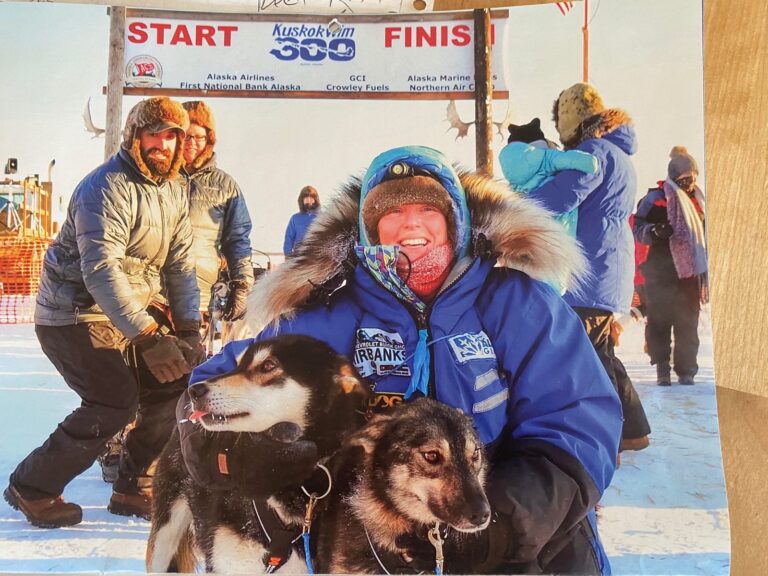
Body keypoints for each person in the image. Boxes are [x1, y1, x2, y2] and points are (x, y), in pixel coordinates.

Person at [180, 146, 622, 574]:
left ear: (457, 223)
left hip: (505, 522)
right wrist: (221, 448)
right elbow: (221, 379)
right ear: (368, 230)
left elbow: (577, 418)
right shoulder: (332, 311)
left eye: (429, 210)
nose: (411, 222)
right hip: (373, 529)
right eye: (391, 212)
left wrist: (509, 520)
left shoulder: (518, 302)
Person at [4, 96, 203, 528]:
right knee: (114, 399)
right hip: (74, 313)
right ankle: (34, 485)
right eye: (153, 133)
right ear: (134, 137)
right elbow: (100, 269)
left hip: (130, 315)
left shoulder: (174, 189)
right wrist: (150, 338)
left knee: (176, 382)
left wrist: (187, 330)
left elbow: (180, 263)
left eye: (172, 136)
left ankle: (135, 485)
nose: (162, 144)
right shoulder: (105, 186)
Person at [527, 83, 652, 452]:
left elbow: (562, 196)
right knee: (600, 353)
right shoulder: (618, 153)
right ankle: (632, 433)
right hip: (608, 265)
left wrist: (516, 205)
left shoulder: (593, 151)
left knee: (588, 359)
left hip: (590, 269)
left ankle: (607, 436)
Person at [633, 147, 707, 386]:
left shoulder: (699, 201)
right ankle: (662, 367)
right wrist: (655, 231)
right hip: (660, 269)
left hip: (689, 273)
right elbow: (637, 228)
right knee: (659, 320)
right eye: (686, 178)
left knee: (688, 322)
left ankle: (687, 372)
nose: (690, 183)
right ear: (675, 177)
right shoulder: (656, 198)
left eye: (693, 178)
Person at [181, 100, 254, 323]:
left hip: (198, 293)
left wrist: (242, 285)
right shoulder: (159, 179)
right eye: (186, 135)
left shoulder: (225, 186)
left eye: (199, 137)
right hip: (153, 292)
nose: (192, 143)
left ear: (209, 140)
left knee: (191, 356)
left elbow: (238, 240)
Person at [499, 116, 597, 238]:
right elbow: (581, 161)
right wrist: (594, 161)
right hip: (558, 242)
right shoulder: (547, 159)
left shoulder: (513, 188)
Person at [282, 185, 320, 256]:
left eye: (311, 198)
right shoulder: (295, 218)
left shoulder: (322, 218)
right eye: (306, 198)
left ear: (315, 200)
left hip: (317, 259)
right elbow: (289, 238)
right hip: (299, 258)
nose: (309, 201)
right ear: (301, 200)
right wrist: (288, 255)